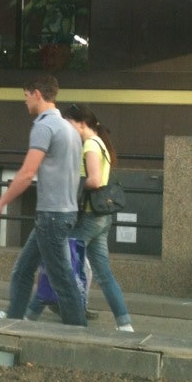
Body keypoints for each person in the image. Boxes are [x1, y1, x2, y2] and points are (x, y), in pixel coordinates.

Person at [0, 75, 87, 327]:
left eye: (26, 95)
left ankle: (79, 335)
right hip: (63, 212)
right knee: (23, 271)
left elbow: (26, 173)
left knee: (62, 280)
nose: (25, 101)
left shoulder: (44, 126)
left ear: (37, 94)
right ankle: (13, 324)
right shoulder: (70, 129)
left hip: (52, 215)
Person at [62, 103, 134, 332]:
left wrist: (71, 184)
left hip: (90, 216)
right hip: (102, 217)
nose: (67, 128)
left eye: (69, 123)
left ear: (82, 123)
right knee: (103, 274)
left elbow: (94, 180)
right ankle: (124, 324)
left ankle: (32, 311)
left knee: (62, 260)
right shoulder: (100, 142)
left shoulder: (90, 145)